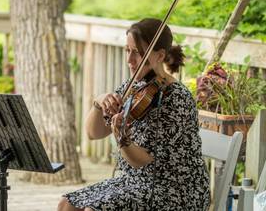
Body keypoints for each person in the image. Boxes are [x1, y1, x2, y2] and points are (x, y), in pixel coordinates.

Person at [57, 18, 210, 211]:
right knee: (66, 205)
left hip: (176, 191)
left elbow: (143, 161)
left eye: (137, 52)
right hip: (134, 183)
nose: (130, 60)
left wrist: (122, 139)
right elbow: (93, 133)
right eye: (127, 50)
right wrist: (99, 102)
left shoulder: (177, 98)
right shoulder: (133, 87)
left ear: (160, 56)